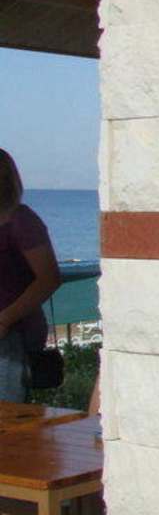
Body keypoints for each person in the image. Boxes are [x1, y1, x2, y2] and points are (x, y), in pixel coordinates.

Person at [0, 149, 61, 403]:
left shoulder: (20, 221)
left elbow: (49, 278)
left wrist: (5, 320)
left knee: (7, 416)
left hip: (12, 336)